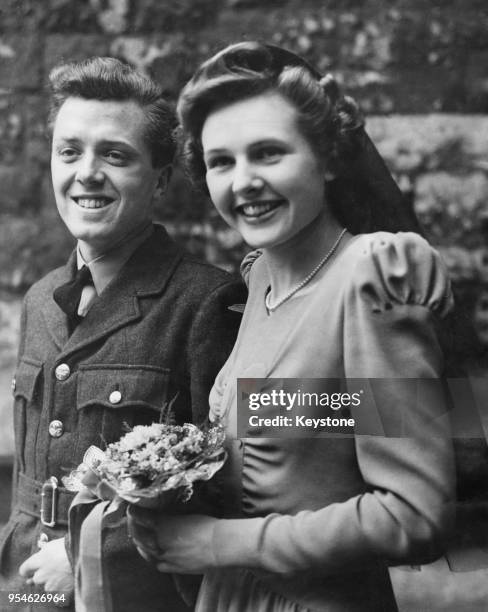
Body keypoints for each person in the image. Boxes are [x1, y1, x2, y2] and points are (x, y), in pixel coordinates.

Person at [129, 42, 456, 612]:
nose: (244, 182)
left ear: (327, 157)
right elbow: (313, 422)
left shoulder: (371, 282)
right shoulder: (258, 281)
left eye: (269, 153)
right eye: (222, 162)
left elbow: (414, 515)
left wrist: (219, 542)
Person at [0, 57, 245, 612]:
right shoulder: (40, 298)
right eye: (70, 152)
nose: (87, 173)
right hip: (26, 591)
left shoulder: (207, 301)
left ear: (159, 178)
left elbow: (230, 486)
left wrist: (93, 553)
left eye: (115, 155)